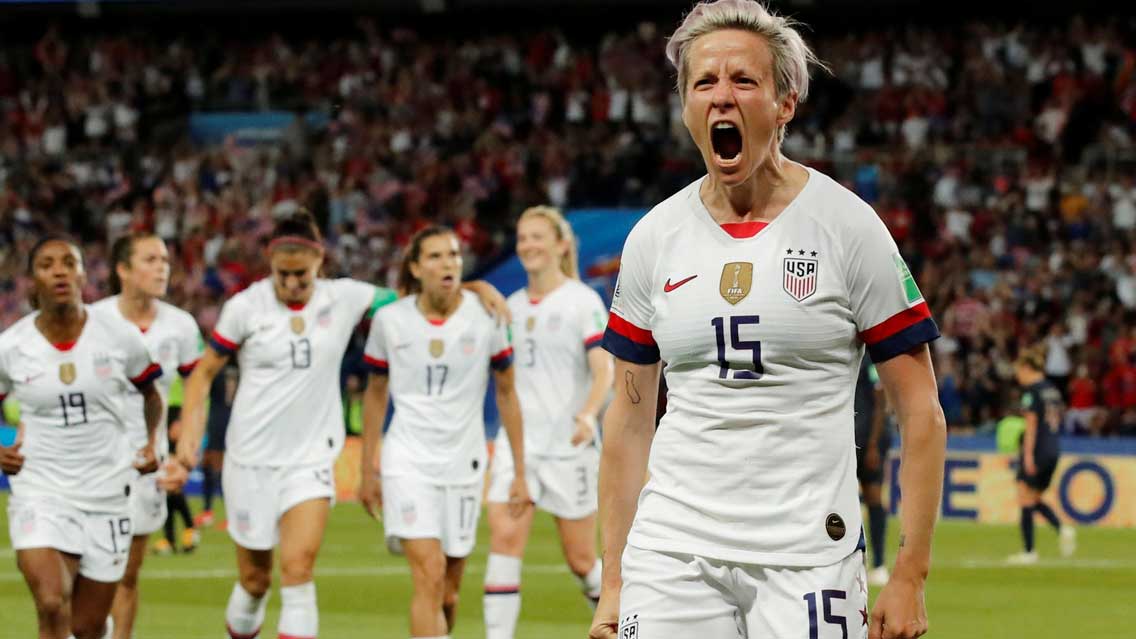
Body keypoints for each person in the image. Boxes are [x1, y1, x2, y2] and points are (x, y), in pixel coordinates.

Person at [588, 3, 947, 639]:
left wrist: (911, 575)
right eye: (705, 82)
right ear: (686, 108)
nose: (722, 96)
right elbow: (628, 416)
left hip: (808, 554)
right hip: (671, 549)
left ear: (785, 103)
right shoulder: (654, 239)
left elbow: (920, 410)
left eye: (743, 80)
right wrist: (614, 579)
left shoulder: (849, 228)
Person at [176, 211, 508, 639]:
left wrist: (469, 288)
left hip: (311, 460)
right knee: (255, 581)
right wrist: (189, 428)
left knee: (298, 568)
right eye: (283, 273)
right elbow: (204, 372)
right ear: (269, 263)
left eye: (302, 274)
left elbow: (414, 296)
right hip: (250, 459)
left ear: (320, 263)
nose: (293, 282)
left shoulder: (346, 297)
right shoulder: (245, 307)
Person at [358, 226, 530, 639]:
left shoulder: (486, 315)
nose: (447, 263)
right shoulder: (389, 321)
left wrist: (520, 472)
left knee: (449, 594)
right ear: (416, 268)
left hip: (464, 462)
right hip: (407, 461)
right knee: (428, 574)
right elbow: (375, 395)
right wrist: (368, 469)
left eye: (453, 254)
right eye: (434, 257)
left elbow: (507, 392)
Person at [0, 237, 166, 639]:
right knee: (52, 602)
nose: (59, 271)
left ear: (82, 274)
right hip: (40, 490)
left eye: (68, 263)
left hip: (107, 493)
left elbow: (150, 393)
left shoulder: (117, 335)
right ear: (30, 279)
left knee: (88, 628)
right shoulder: (11, 347)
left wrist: (150, 442)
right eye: (46, 264)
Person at [482, 206, 613, 639]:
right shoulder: (510, 308)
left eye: (537, 236)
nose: (528, 246)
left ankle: (621, 622)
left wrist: (588, 413)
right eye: (522, 238)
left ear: (560, 245)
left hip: (569, 446)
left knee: (581, 561)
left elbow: (604, 368)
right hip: (518, 446)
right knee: (504, 541)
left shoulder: (582, 300)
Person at [93, 233, 200, 639]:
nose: (162, 268)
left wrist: (185, 451)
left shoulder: (182, 326)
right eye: (150, 259)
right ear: (123, 269)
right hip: (94, 459)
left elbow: (196, 388)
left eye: (165, 260)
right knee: (87, 570)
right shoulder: (93, 319)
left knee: (127, 572)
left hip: (147, 463)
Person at [1007, 345, 1076, 564]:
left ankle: (1029, 552)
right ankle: (1062, 529)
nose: (1018, 377)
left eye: (1019, 371)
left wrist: (1027, 456)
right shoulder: (1052, 390)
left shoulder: (1032, 392)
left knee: (1024, 495)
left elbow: (1032, 424)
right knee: (1033, 498)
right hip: (1054, 448)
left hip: (1038, 449)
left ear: (1027, 368)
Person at [855, 356, 893, 586]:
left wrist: (872, 444)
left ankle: (878, 563)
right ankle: (855, 561)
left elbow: (881, 400)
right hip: (849, 438)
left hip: (870, 439)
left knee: (874, 497)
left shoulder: (869, 359)